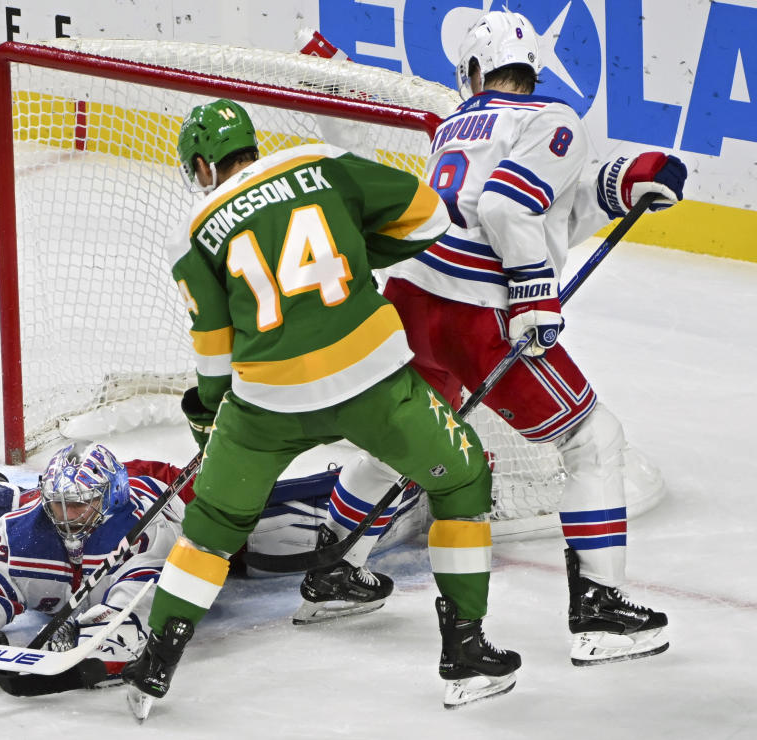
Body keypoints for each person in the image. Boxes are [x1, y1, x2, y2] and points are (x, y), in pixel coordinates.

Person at [303, 10, 684, 668]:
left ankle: (333, 570)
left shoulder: (456, 125)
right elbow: (511, 207)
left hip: (414, 301)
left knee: (413, 436)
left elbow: (542, 206)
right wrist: (535, 297)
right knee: (594, 439)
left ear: (476, 73)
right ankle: (601, 611)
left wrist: (625, 183)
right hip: (479, 312)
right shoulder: (553, 118)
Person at [122, 97, 520, 718]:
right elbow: (428, 217)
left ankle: (156, 664)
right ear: (253, 145)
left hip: (266, 403)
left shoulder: (195, 229)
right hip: (373, 383)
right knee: (465, 476)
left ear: (202, 166)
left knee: (212, 530)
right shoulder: (321, 162)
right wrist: (356, 251)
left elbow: (214, 357)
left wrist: (206, 413)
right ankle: (465, 650)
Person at [0, 433, 426, 681]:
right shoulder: (30, 525)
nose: (68, 518)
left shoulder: (146, 527)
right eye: (61, 506)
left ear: (109, 499)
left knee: (251, 539)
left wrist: (110, 630)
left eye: (81, 506)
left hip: (180, 499)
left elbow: (149, 594)